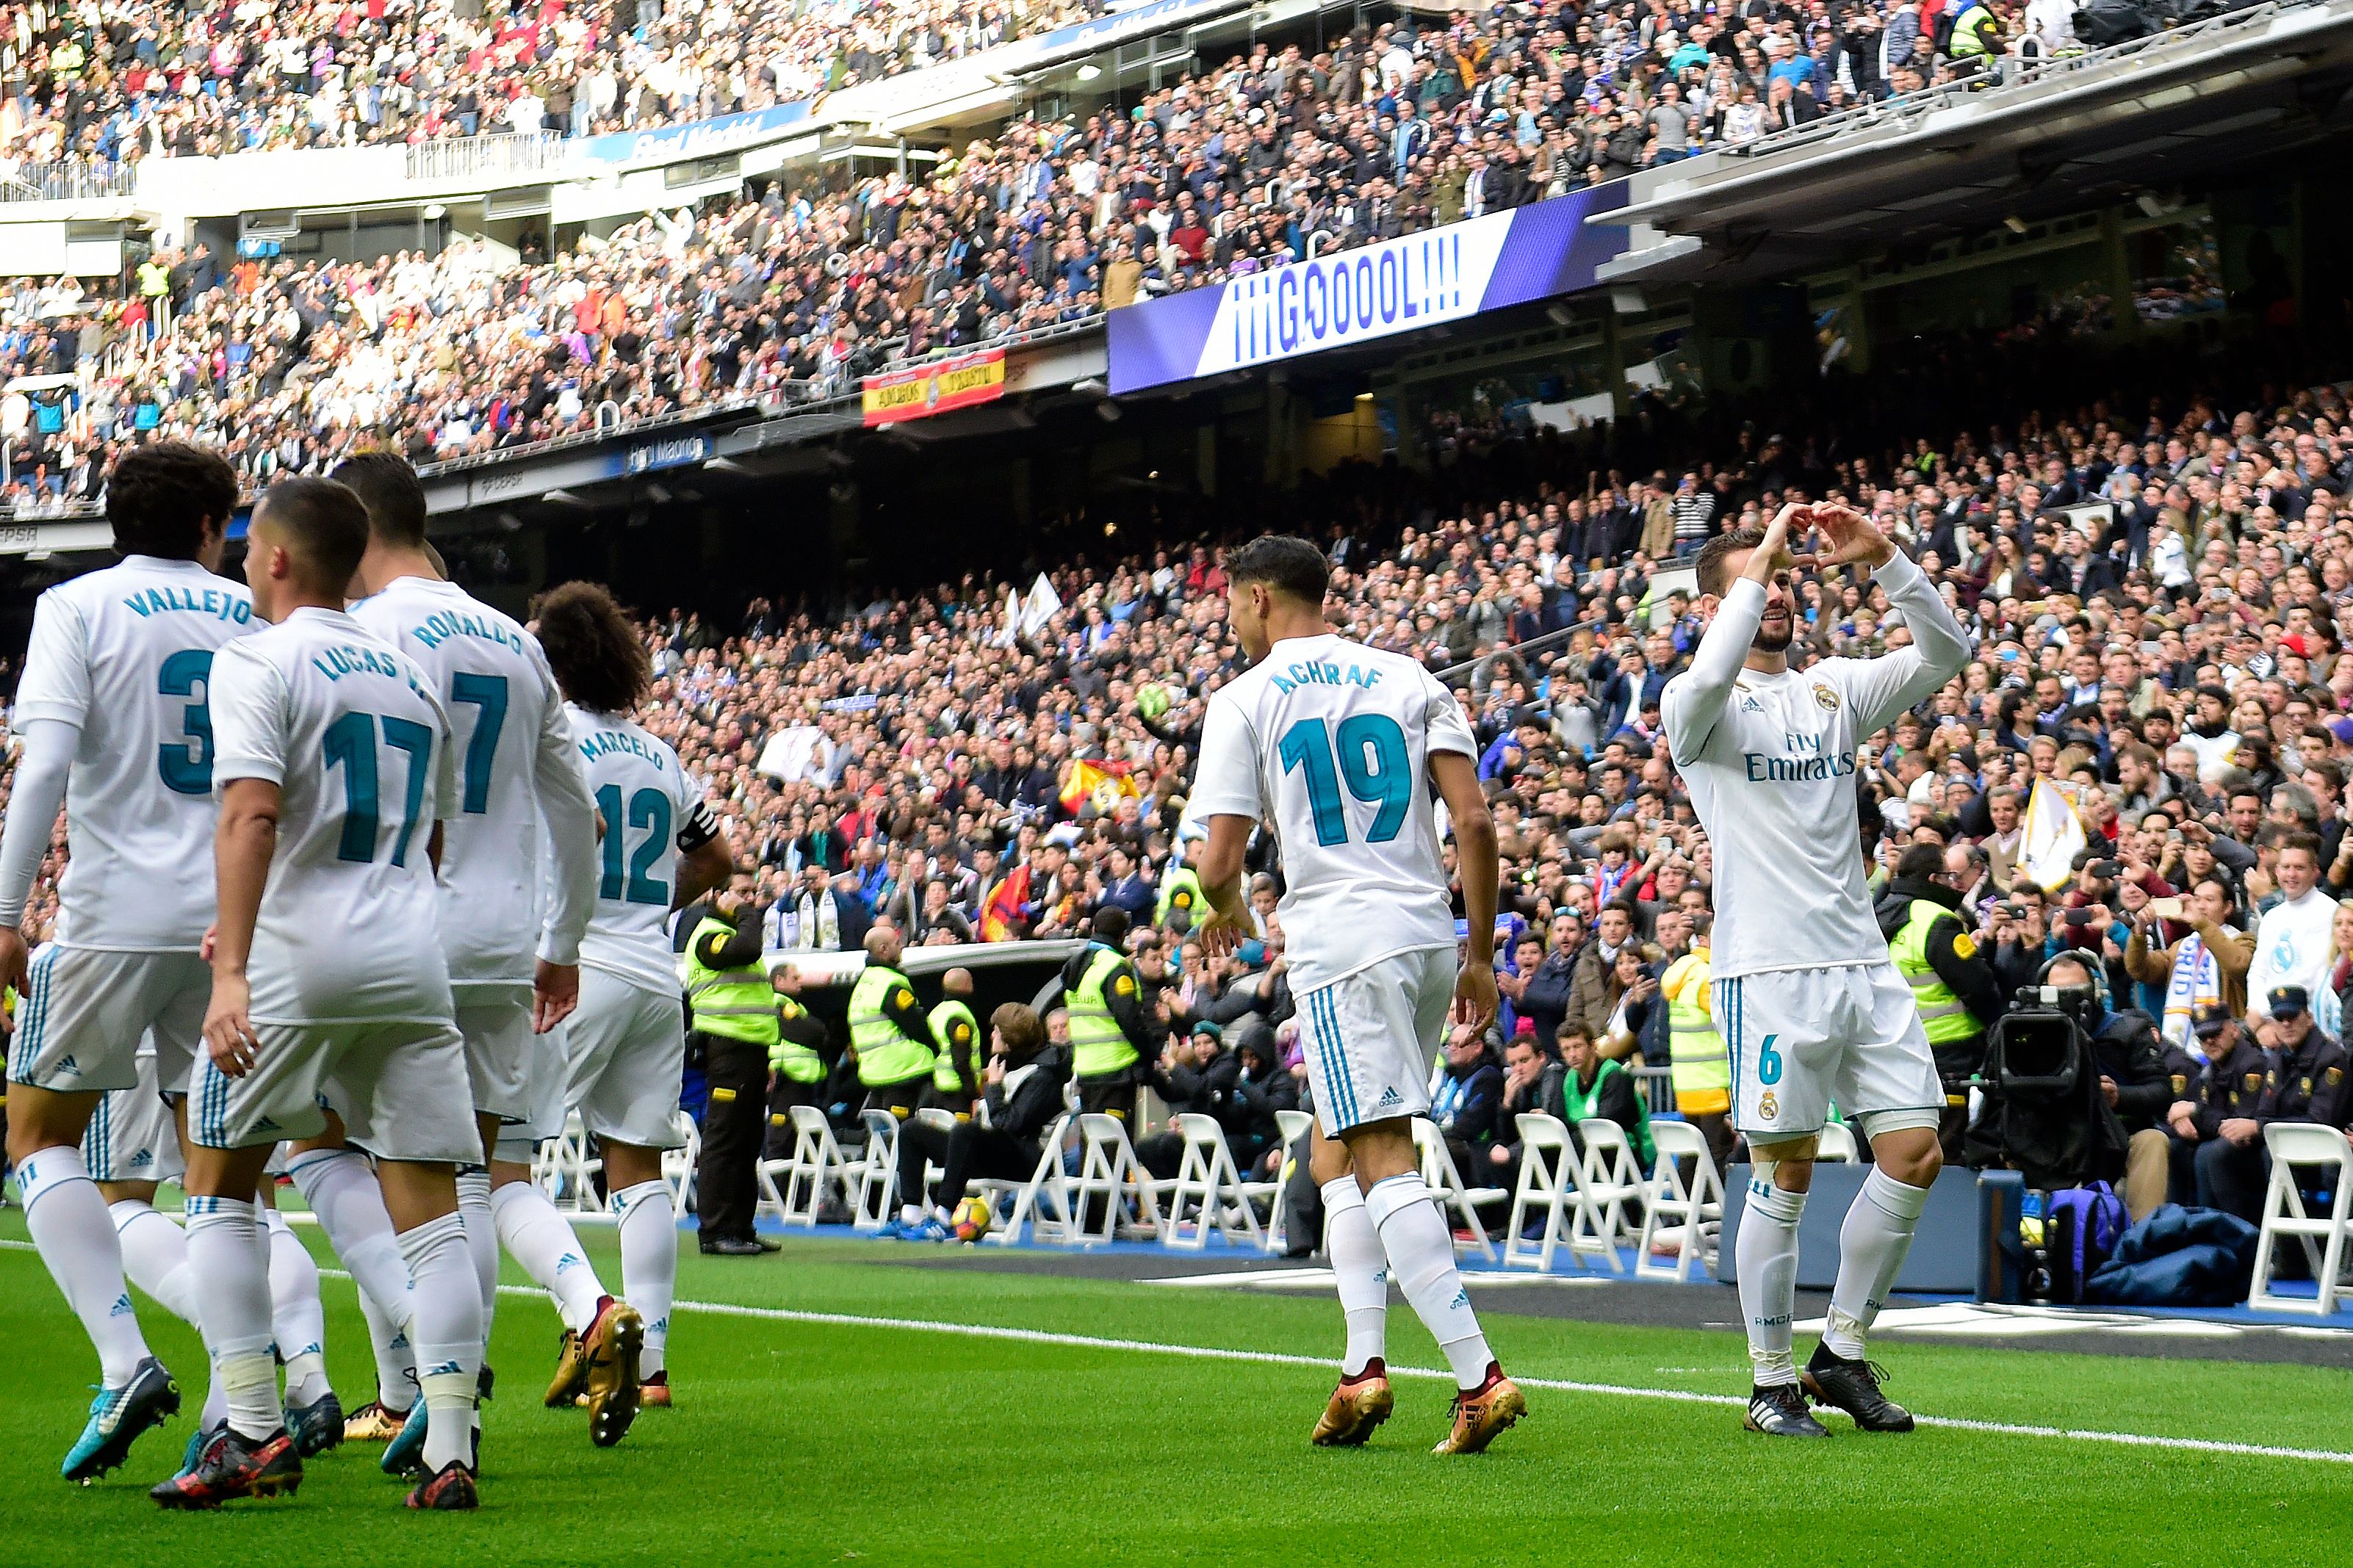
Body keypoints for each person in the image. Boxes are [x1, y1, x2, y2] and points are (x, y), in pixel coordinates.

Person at [161, 475, 483, 1511]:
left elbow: (252, 813)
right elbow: (428, 836)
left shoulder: (254, 655)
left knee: (216, 1180)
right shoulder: (406, 673)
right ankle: (449, 1453)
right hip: (409, 956)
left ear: (281, 559)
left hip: (301, 961)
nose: (245, 561)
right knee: (430, 1211)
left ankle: (251, 1428)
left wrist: (232, 966)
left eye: (253, 548)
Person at [1192, 533, 1524, 1456]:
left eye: (1228, 601)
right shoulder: (1407, 674)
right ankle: (1360, 1368)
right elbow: (1473, 819)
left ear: (1257, 596)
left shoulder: (1243, 696)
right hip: (1426, 938)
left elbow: (1219, 860)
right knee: (1333, 1146)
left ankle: (1477, 1375)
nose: (1227, 616)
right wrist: (1481, 954)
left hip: (1342, 944)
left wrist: (1219, 906)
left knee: (1377, 1153)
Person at [1663, 500, 1968, 1438]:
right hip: (1768, 968)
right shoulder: (1695, 706)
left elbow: (1945, 651)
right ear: (1712, 607)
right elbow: (1715, 661)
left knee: (1914, 1148)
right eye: (1761, 584)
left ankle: (1837, 1353)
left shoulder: (1833, 689)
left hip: (1860, 961)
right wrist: (1753, 560)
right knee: (1784, 1170)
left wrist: (1885, 560)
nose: (1782, 593)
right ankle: (1767, 1382)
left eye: (1791, 580)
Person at [339, 450, 601, 1450]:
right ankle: (453, 1402)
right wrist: (561, 939)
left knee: (361, 1160)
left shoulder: (363, 633)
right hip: (502, 939)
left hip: (398, 929)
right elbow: (570, 805)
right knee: (481, 1174)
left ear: (355, 530)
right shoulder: (514, 640)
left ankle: (414, 1384)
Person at [0, 442, 251, 1482]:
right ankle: (259, 1397)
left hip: (110, 915)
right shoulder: (252, 615)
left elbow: (47, 758)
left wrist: (7, 906)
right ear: (213, 525)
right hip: (231, 930)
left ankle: (125, 1357)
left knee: (36, 1131)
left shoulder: (77, 606)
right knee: (226, 1174)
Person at [530, 581, 733, 1426]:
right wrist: (655, 903)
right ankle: (650, 1365)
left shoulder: (550, 737)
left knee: (499, 1160)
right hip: (656, 974)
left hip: (579, 964)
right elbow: (721, 856)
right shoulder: (659, 753)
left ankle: (587, 1319)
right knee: (638, 1167)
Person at [885, 1003, 1067, 1240]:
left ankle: (943, 1218)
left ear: (1011, 1037)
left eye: (997, 1031)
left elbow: (1011, 1125)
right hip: (994, 1153)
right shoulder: (1008, 1064)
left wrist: (992, 1088)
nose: (991, 1035)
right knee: (911, 1130)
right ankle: (910, 1216)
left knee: (965, 1131)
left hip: (1028, 1160)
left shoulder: (1044, 1075)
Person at [1874, 843, 2005, 1164]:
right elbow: (1978, 986)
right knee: (1945, 1150)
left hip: (1892, 1050)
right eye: (1949, 876)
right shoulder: (1936, 920)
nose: (1954, 884)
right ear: (1934, 879)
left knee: (1900, 1148)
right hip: (1950, 1053)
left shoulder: (1875, 916)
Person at [2181, 986, 2349, 1223]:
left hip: (2321, 1154)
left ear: (2309, 1018)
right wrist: (2254, 1128)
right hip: (2280, 1148)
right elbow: (2264, 1111)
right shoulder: (2278, 1059)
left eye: (2293, 1017)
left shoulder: (2330, 1058)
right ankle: (2229, 1240)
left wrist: (2259, 1128)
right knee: (2211, 1154)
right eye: (2280, 1019)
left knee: (2259, 1155)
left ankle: (2287, 1251)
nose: (2287, 1024)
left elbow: (2321, 1121)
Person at [684, 872, 784, 1257]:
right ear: (717, 895)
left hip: (750, 1050)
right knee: (724, 1141)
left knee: (746, 1143)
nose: (750, 900)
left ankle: (740, 1226)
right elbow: (749, 948)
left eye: (752, 893)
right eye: (741, 893)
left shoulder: (731, 934)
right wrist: (744, 911)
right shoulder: (710, 935)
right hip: (727, 1050)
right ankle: (714, 1231)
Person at [2040, 955, 2173, 1221]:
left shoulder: (2128, 1031)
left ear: (2096, 991)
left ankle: (2143, 1236)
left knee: (2153, 1141)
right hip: (2051, 1139)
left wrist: (2118, 1096)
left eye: (2076, 992)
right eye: (2058, 993)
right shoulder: (2030, 1032)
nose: (2068, 1001)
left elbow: (2162, 1091)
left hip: (2118, 1138)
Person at [1059, 907, 1159, 1117]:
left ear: (1094, 928)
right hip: (1116, 1070)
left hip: (1086, 1069)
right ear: (1123, 935)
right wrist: (1151, 1053)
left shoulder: (1079, 966)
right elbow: (1130, 1020)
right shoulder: (1114, 967)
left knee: (1094, 1141)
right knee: (1113, 1143)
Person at [1657, 912, 1735, 1169]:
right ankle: (1717, 1210)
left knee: (1692, 1156)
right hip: (1714, 1085)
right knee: (1716, 1158)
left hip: (1689, 1085)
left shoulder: (1683, 971)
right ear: (1703, 940)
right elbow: (1732, 1022)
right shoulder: (1708, 977)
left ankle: (1687, 1208)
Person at [847, 922, 937, 1119]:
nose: (901, 947)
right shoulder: (891, 983)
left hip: (875, 1072)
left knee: (881, 1136)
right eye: (897, 943)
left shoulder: (863, 983)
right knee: (900, 1136)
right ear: (884, 949)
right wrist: (937, 1048)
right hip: (903, 1070)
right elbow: (916, 1024)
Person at [1555, 1023, 1654, 1170]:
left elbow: (1605, 1125)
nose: (1572, 1055)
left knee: (1576, 1142)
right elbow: (1564, 1119)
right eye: (1566, 1049)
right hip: (1591, 1147)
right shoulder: (1569, 1078)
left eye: (1577, 1046)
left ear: (1592, 1046)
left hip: (1628, 1153)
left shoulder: (1616, 1076)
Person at [922, 968, 983, 1117]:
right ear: (967, 985)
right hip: (958, 1093)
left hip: (938, 1088)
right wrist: (973, 1094)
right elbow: (961, 1060)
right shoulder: (959, 1015)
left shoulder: (936, 1012)